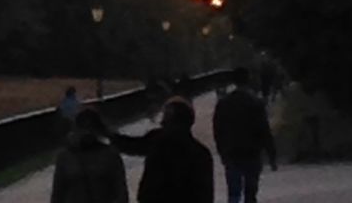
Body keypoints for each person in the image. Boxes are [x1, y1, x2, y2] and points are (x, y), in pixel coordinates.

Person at [110, 95, 213, 203]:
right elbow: (206, 195)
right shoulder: (201, 153)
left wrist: (104, 133)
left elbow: (130, 146)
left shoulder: (157, 140)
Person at [212, 67, 277, 203]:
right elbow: (264, 130)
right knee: (250, 192)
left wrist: (222, 151)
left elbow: (217, 129)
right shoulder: (255, 103)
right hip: (251, 152)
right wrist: (271, 155)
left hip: (232, 152)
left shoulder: (224, 103)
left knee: (234, 193)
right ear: (248, 80)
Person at [50, 107, 129, 203]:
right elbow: (57, 195)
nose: (86, 133)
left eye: (89, 128)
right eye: (84, 128)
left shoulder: (110, 155)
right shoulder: (65, 157)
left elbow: (121, 194)